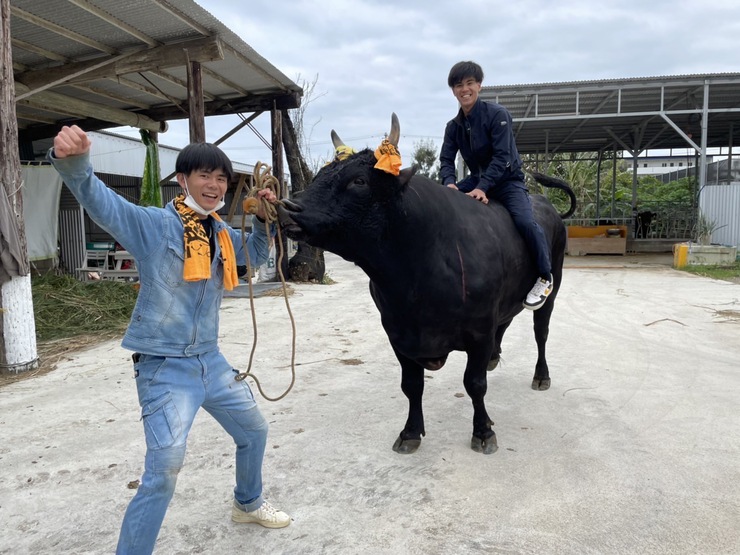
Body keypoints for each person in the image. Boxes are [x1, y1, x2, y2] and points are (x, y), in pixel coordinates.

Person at [48, 125, 291, 555]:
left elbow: (252, 257)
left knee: (254, 430)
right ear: (182, 180)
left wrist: (261, 219)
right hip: (163, 366)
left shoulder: (219, 232)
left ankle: (247, 502)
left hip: (210, 362)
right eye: (204, 176)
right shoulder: (156, 225)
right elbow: (103, 204)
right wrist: (76, 164)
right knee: (163, 471)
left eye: (221, 178)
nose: (215, 185)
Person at [439, 61, 554, 310]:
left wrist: (483, 187)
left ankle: (545, 276)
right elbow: (446, 160)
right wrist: (449, 184)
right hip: (476, 178)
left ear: (479, 85)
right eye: (459, 85)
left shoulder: (497, 115)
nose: (464, 89)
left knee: (525, 221)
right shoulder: (452, 127)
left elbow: (502, 157)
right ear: (453, 91)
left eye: (469, 83)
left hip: (506, 179)